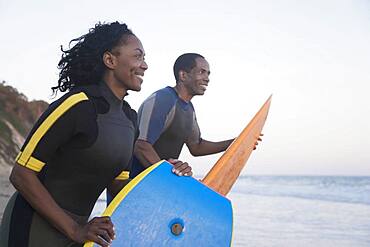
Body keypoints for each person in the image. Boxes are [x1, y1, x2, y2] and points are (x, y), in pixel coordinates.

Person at [0, 22, 189, 247]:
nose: (145, 65)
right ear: (110, 60)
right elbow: (21, 174)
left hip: (80, 232)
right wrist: (75, 230)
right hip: (33, 227)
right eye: (138, 56)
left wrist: (163, 174)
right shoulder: (77, 105)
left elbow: (119, 186)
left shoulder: (130, 118)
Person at [131, 53, 237, 178]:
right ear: (183, 75)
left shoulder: (189, 109)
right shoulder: (163, 99)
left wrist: (234, 143)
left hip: (159, 184)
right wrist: (170, 177)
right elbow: (141, 146)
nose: (207, 78)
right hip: (133, 185)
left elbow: (196, 146)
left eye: (208, 73)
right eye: (201, 72)